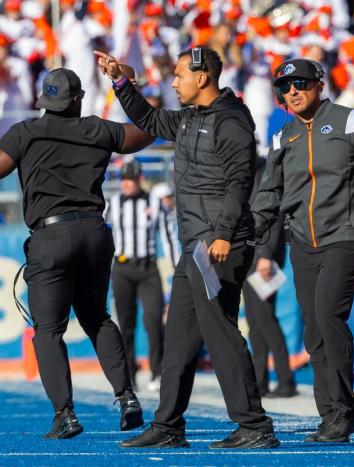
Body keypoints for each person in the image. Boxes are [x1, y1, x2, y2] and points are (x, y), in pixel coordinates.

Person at [96, 47, 279, 449]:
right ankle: (168, 425)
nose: (173, 82)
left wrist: (224, 234)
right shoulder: (190, 118)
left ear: (202, 78)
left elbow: (239, 184)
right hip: (195, 244)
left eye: (179, 75)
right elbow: (147, 117)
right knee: (178, 337)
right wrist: (121, 82)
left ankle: (255, 425)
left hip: (217, 244)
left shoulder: (231, 121)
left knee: (221, 332)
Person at [253, 58, 354, 443]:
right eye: (284, 88)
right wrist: (241, 231)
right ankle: (337, 413)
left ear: (320, 84)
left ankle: (338, 410)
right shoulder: (281, 138)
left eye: (300, 84)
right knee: (314, 329)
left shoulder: (352, 122)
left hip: (346, 235)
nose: (292, 92)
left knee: (327, 314)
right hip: (302, 242)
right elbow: (268, 195)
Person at [0, 68, 150, 438]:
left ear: (43, 102)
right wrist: (132, 89)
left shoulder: (25, 133)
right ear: (78, 99)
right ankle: (127, 396)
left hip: (51, 235)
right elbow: (148, 129)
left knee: (48, 330)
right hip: (94, 233)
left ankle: (64, 414)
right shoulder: (97, 128)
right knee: (97, 318)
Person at [105, 160, 180, 392]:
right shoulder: (112, 204)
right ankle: (129, 373)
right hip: (122, 268)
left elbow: (168, 237)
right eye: (124, 180)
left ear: (140, 180)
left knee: (153, 319)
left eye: (132, 180)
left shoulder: (156, 203)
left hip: (148, 268)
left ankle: (157, 372)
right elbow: (101, 235)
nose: (128, 184)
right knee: (125, 323)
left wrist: (176, 267)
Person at [243, 156, 297, 398]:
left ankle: (286, 380)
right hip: (252, 256)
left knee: (266, 320)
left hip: (261, 258)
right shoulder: (251, 173)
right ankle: (261, 380)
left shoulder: (265, 174)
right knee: (256, 323)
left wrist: (265, 255)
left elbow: (272, 217)